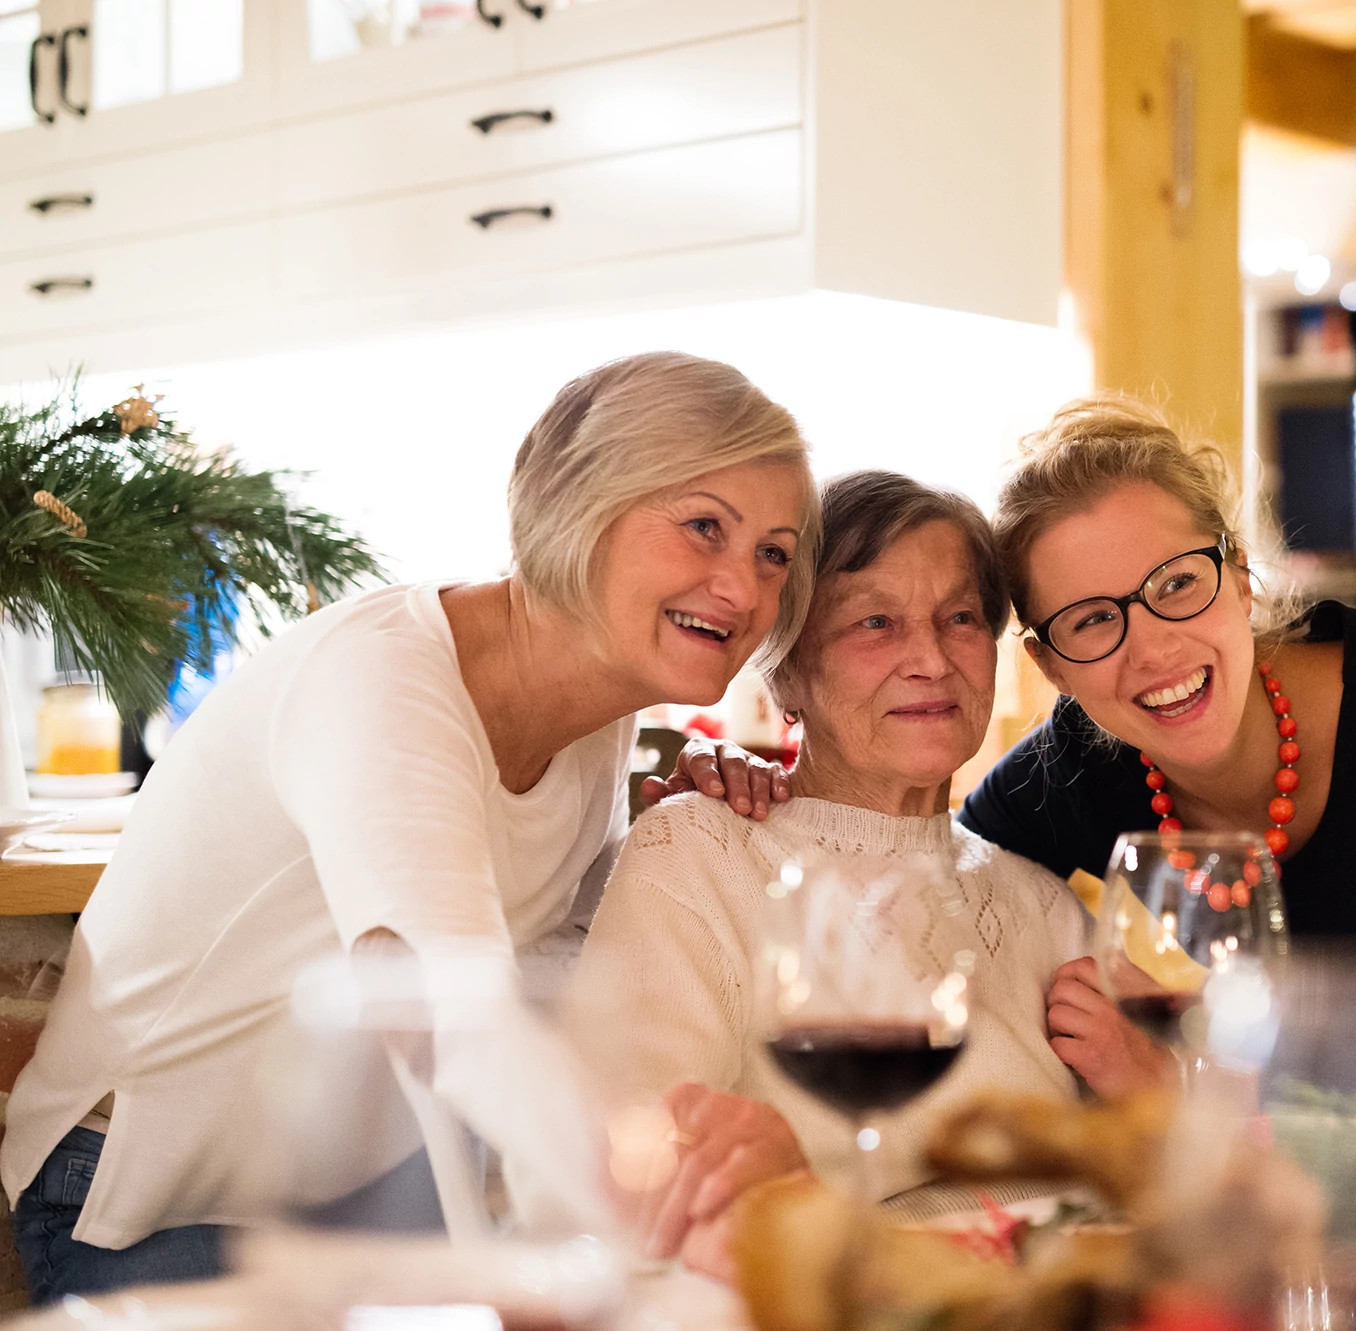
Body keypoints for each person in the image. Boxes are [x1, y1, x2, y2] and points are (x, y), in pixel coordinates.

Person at [2, 353, 819, 1302]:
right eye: (703, 525)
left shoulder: (598, 703)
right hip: (142, 1199)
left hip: (353, 1190)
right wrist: (647, 1214)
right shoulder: (382, 683)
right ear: (578, 502)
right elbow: (450, 1014)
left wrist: (673, 820)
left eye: (773, 551)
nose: (743, 585)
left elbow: (540, 941)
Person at [666, 396, 1356, 1096]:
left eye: (1177, 584)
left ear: (1241, 577)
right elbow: (910, 840)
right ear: (1049, 665)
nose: (1151, 646)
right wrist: (765, 785)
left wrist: (1176, 1087)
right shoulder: (1061, 785)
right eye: (1091, 619)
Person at [572, 471, 1093, 1264]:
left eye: (959, 618)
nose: (929, 658)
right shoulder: (702, 851)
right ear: (785, 669)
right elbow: (625, 1163)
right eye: (875, 621)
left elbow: (1137, 1168)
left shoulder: (1043, 903)